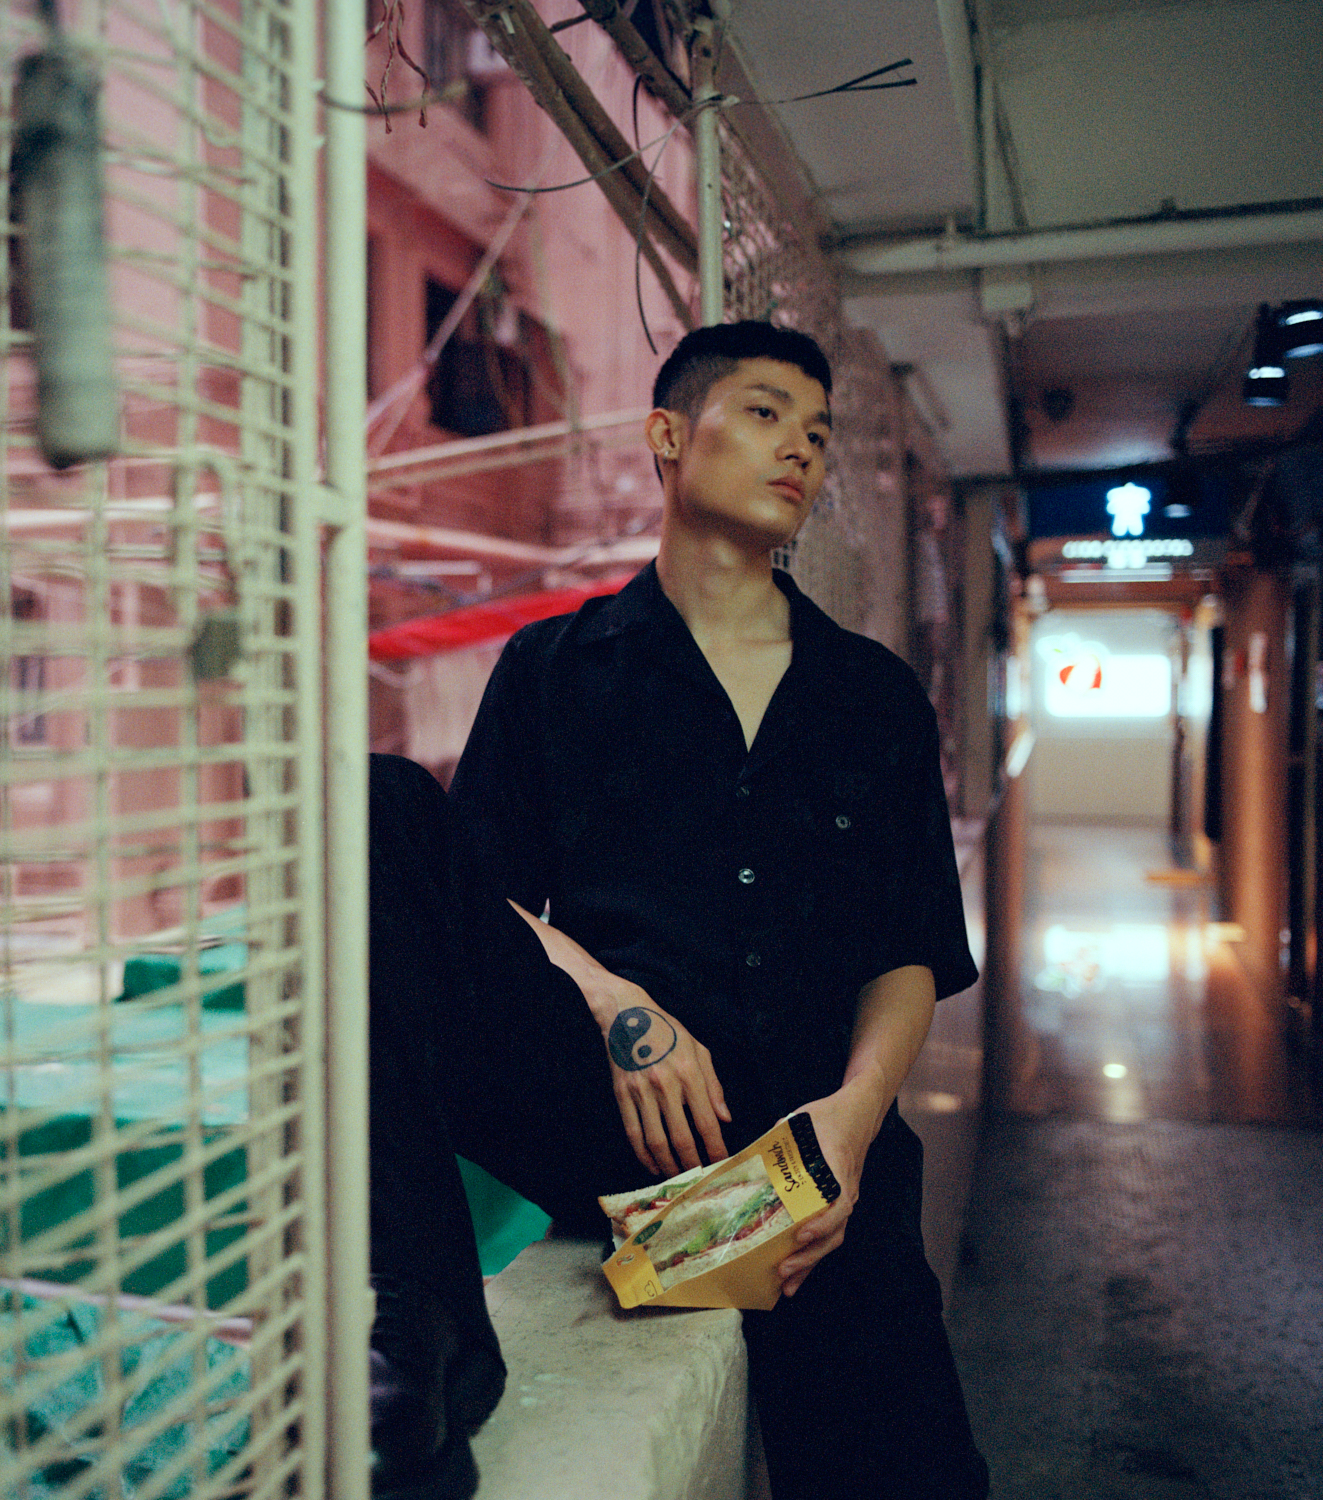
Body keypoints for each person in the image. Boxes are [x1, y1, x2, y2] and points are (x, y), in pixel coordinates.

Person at [366, 320, 990, 1500]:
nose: (798, 449)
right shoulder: (552, 669)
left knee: (907, 1474)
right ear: (667, 435)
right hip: (613, 1117)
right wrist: (615, 1006)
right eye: (762, 413)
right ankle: (413, 1335)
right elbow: (490, 902)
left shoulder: (872, 697)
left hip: (808, 1148)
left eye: (815, 433)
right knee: (379, 805)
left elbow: (906, 949)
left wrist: (849, 1125)